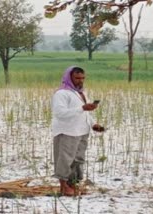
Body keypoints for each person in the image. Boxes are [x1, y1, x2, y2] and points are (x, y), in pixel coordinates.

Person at [51, 66, 105, 196]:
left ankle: (72, 184)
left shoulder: (81, 92)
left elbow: (84, 113)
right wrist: (82, 108)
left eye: (82, 78)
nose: (80, 81)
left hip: (82, 131)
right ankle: (63, 186)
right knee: (65, 159)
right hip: (67, 131)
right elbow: (59, 113)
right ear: (69, 77)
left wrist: (93, 124)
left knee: (78, 159)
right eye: (77, 78)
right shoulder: (61, 93)